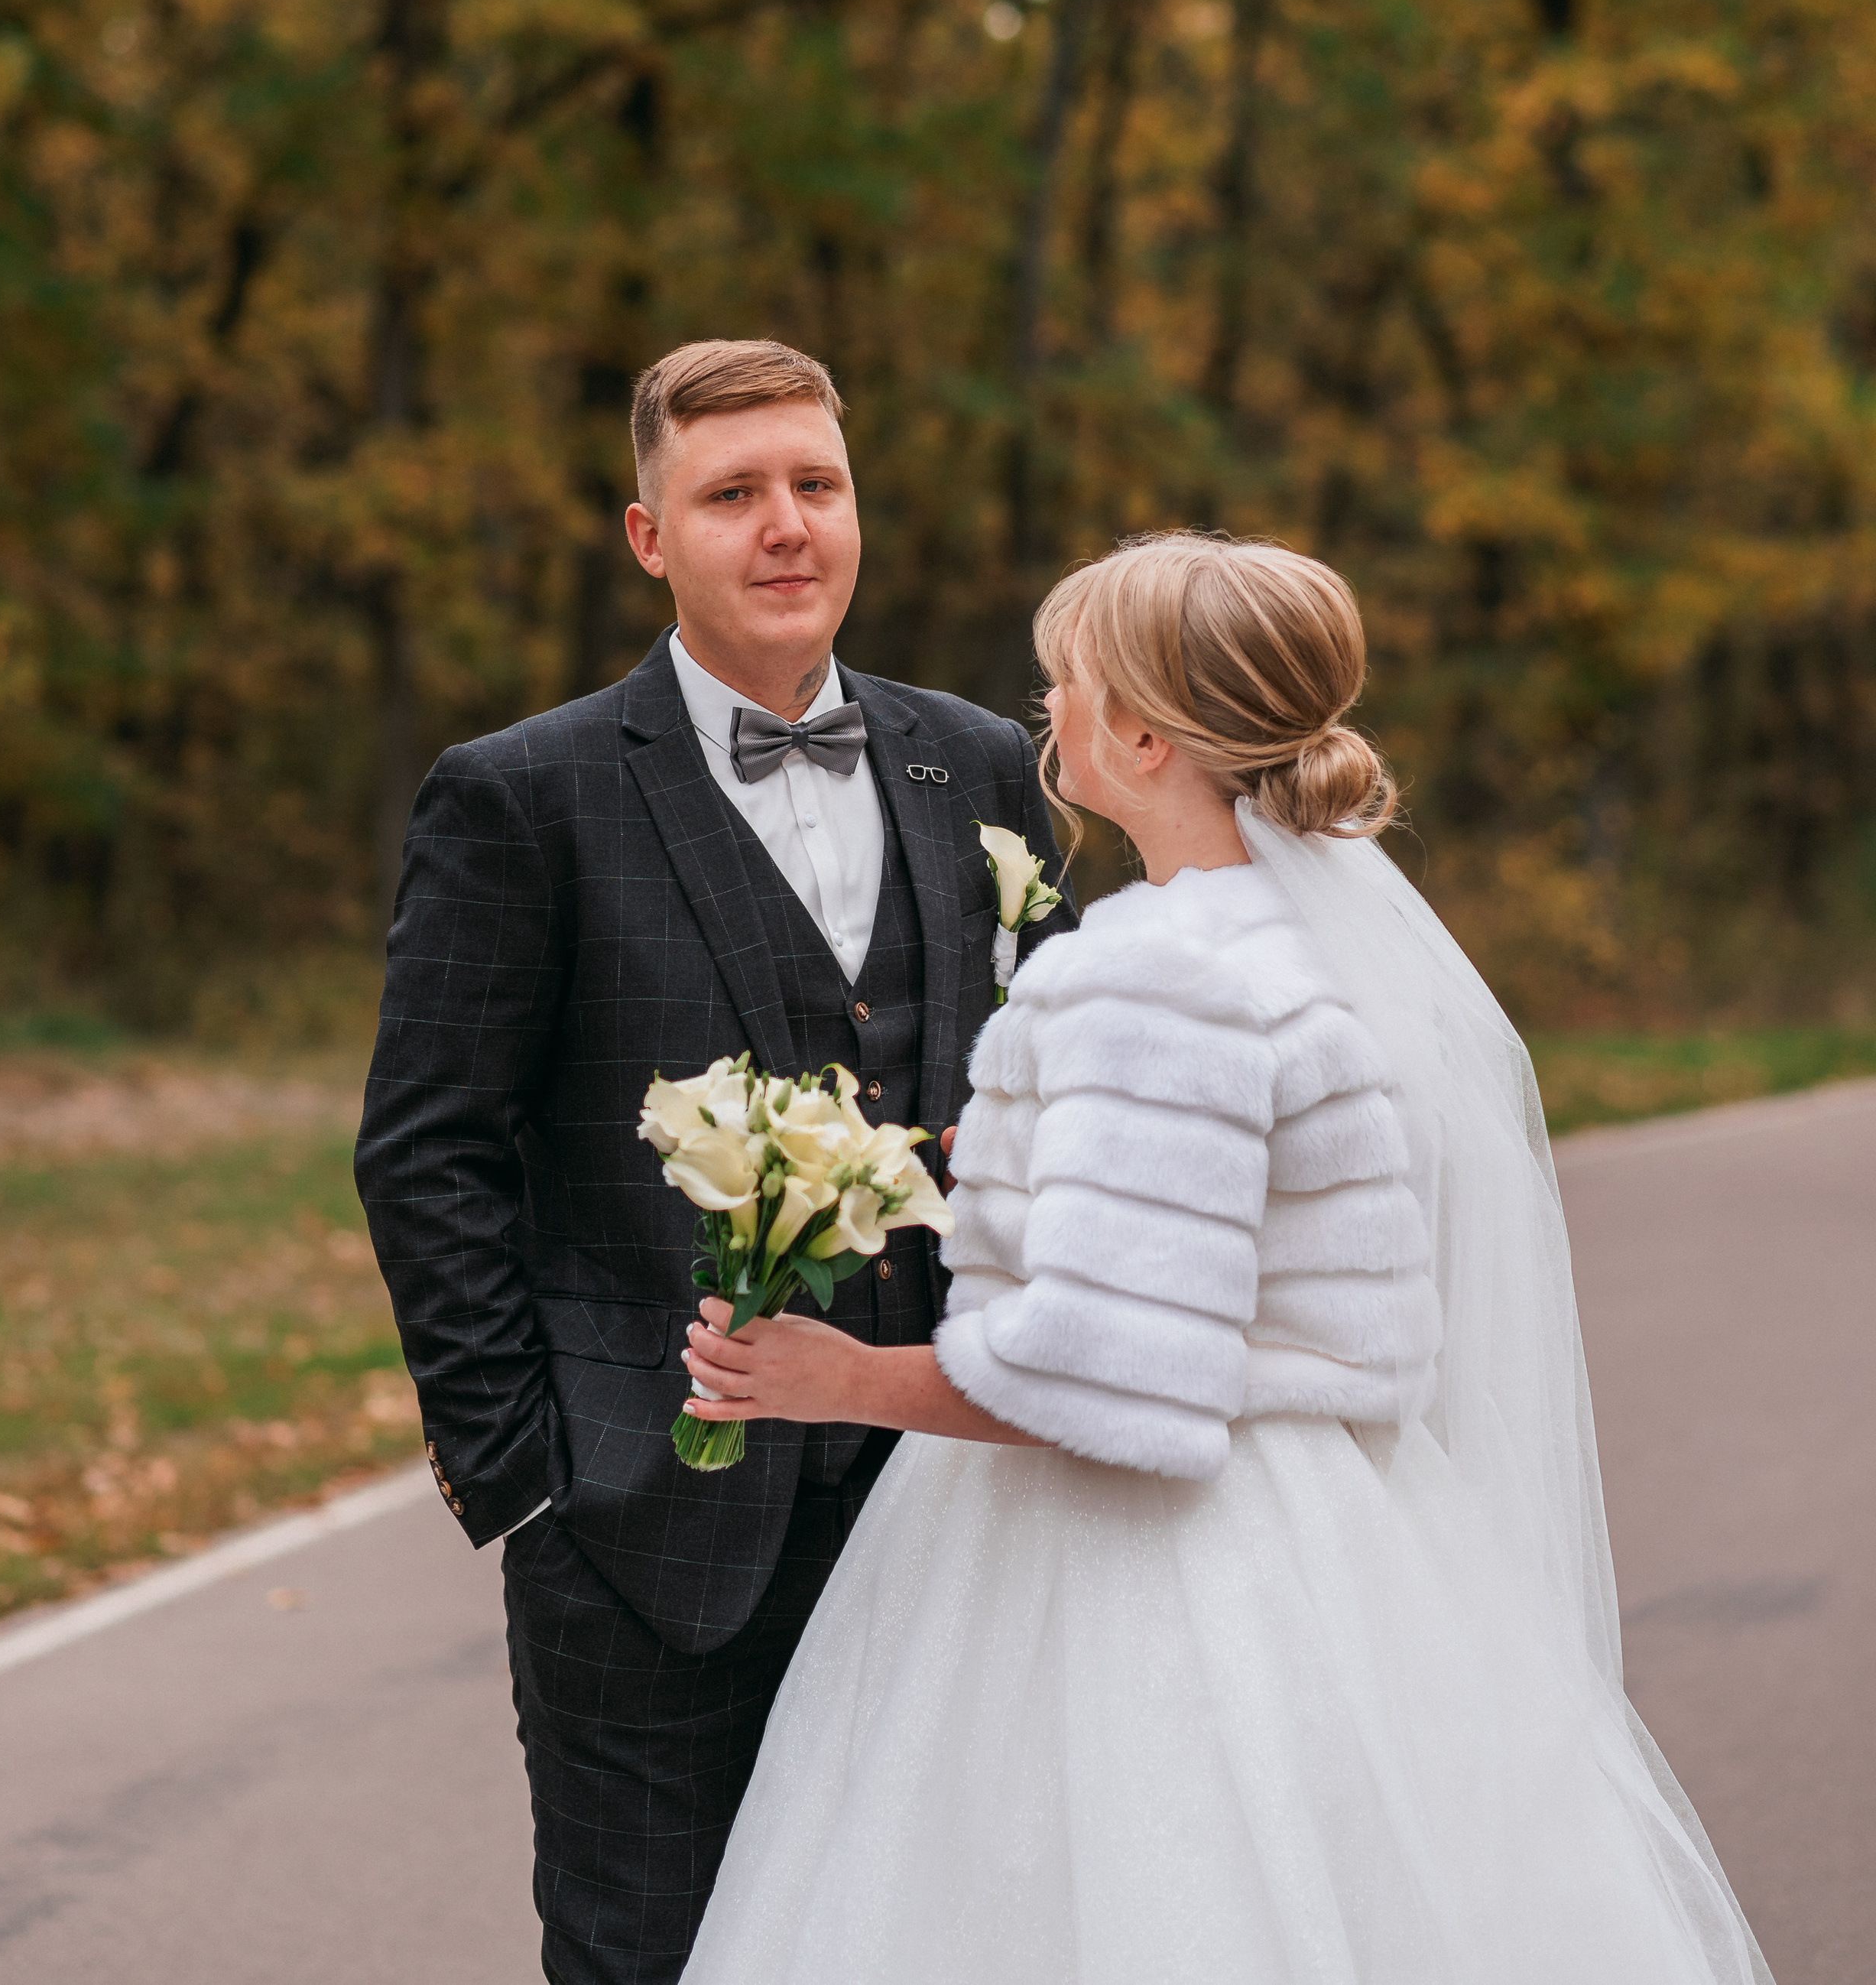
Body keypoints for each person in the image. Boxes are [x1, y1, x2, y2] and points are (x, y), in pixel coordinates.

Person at [676, 531, 1774, 1985]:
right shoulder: (1313, 943)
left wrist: (839, 1376)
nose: (1045, 707)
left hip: (1145, 1572)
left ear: (1138, 735)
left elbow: (1103, 1376)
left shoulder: (1156, 975)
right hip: (1324, 1539)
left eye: (1069, 680)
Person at [354, 338, 1072, 1985]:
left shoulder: (980, 767)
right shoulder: (518, 798)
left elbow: (1062, 1088)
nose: (783, 527)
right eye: (731, 493)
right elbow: (426, 1151)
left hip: (951, 1506)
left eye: (814, 486)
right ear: (646, 535)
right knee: (649, 1962)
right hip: (641, 1528)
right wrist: (530, 1470)